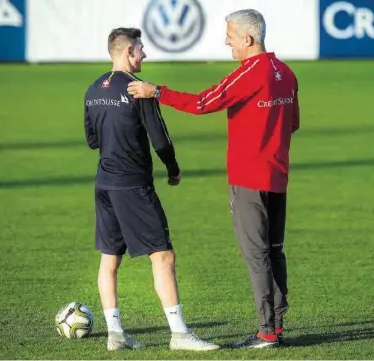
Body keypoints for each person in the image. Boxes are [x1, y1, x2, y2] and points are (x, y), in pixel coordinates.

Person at [127, 9, 300, 349]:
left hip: (249, 178)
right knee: (275, 252)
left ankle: (266, 333)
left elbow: (204, 102)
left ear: (248, 40)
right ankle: (276, 327)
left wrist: (157, 91)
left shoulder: (250, 72)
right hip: (278, 175)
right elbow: (292, 122)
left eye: (231, 36)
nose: (226, 42)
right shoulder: (286, 73)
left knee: (257, 255)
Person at [84, 27, 220, 352]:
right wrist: (173, 170)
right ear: (128, 51)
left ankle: (115, 334)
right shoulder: (138, 90)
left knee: (109, 259)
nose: (145, 55)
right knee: (163, 256)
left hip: (104, 183)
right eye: (141, 49)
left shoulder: (92, 90)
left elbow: (92, 140)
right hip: (133, 185)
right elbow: (160, 139)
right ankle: (180, 334)